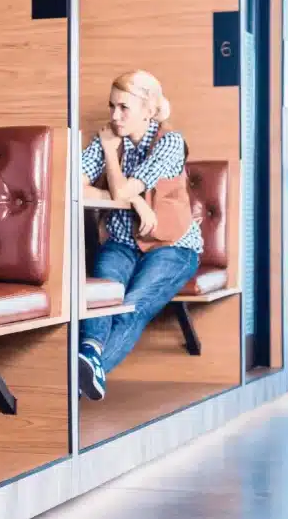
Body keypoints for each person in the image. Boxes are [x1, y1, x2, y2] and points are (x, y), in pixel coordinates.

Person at [78, 70, 203, 402]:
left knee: (132, 305)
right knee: (100, 296)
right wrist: (132, 200)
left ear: (148, 110)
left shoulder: (170, 143)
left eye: (124, 108)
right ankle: (88, 355)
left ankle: (78, 379)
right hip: (123, 243)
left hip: (172, 247)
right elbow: (75, 183)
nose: (114, 117)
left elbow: (121, 188)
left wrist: (121, 186)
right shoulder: (107, 139)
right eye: (111, 107)